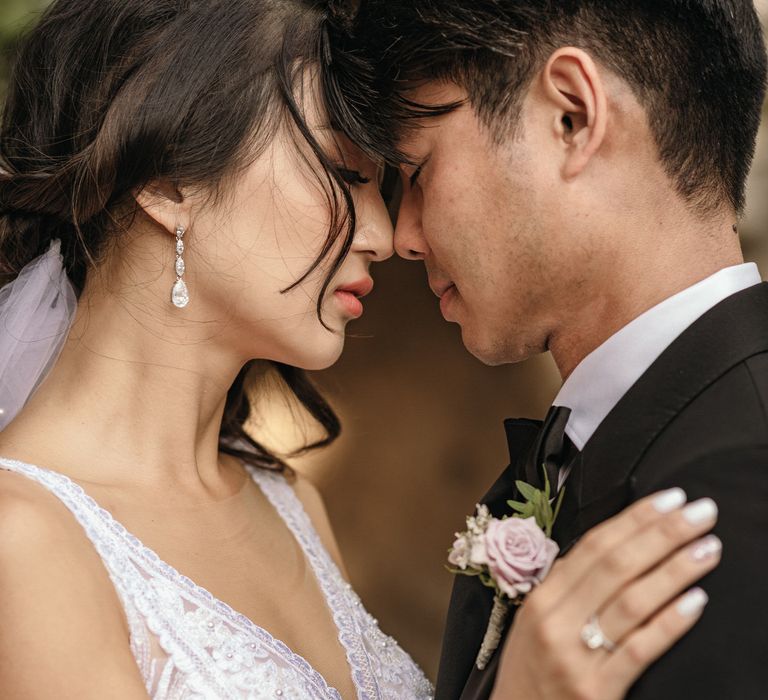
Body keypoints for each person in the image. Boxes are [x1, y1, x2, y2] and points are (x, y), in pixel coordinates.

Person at [0, 1, 720, 698]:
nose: (383, 235)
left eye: (388, 186)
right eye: (346, 174)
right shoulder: (21, 541)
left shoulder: (289, 502)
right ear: (168, 180)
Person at [330, 1, 768, 698]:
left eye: (415, 173)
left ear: (572, 117)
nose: (405, 237)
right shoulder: (589, 456)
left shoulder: (741, 492)